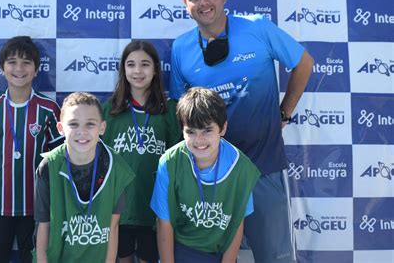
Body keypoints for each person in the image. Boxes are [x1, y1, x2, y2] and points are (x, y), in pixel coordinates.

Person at [169, 0, 314, 263]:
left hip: (263, 166)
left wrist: (284, 112)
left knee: (275, 257)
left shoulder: (257, 27)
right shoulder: (181, 48)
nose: (203, 2)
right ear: (186, 4)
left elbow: (304, 63)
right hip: (211, 175)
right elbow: (181, 107)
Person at [0, 36, 64, 263]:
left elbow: (59, 158)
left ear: (36, 69)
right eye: (12, 62)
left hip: (38, 209)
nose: (19, 68)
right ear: (1, 68)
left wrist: (60, 200)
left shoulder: (48, 109)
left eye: (26, 62)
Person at [151, 87, 260, 262]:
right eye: (191, 132)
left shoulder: (241, 167)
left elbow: (237, 224)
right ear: (182, 130)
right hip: (181, 248)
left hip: (219, 252)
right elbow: (164, 222)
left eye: (207, 130)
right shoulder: (170, 162)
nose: (199, 139)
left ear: (223, 128)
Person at [101, 40, 182, 263]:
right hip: (119, 207)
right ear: (123, 70)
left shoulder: (169, 110)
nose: (138, 71)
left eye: (145, 64)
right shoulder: (110, 110)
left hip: (154, 206)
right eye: (131, 64)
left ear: (155, 69)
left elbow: (178, 161)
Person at [34, 92, 135, 262]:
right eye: (73, 124)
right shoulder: (48, 166)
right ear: (60, 128)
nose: (82, 132)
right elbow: (43, 227)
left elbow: (113, 227)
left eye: (90, 124)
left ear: (102, 128)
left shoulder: (115, 166)